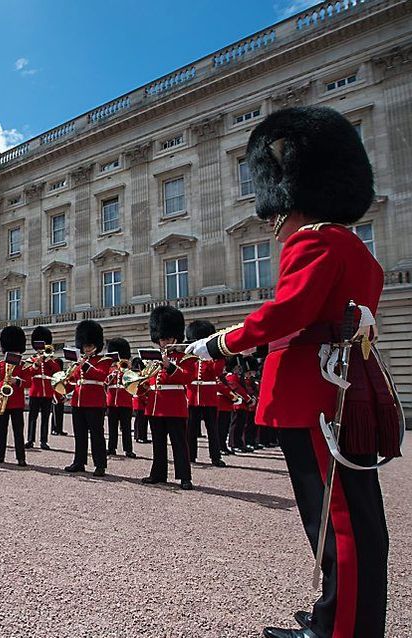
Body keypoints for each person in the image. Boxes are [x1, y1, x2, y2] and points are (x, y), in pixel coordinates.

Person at [187, 106, 399, 638]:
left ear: (289, 198)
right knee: (349, 517)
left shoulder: (314, 239)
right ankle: (338, 615)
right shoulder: (357, 249)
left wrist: (220, 342)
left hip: (315, 398)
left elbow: (288, 313)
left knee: (340, 522)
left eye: (274, 214)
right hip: (340, 394)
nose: (273, 225)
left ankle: (342, 630)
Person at [141, 306, 196, 491]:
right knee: (158, 444)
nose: (164, 342)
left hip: (174, 406)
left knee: (179, 443)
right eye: (161, 338)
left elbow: (187, 378)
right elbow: (149, 381)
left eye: (167, 338)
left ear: (175, 337)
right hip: (155, 406)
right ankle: (158, 473)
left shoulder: (184, 358)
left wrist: (169, 366)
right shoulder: (153, 359)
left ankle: (184, 477)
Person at [64, 320, 114, 477]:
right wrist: (62, 386)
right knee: (79, 434)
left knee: (97, 435)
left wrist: (84, 365)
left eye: (89, 345)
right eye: (85, 345)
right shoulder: (80, 363)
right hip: (78, 401)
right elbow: (73, 380)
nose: (86, 348)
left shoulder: (104, 361)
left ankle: (100, 465)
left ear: (96, 345)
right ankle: (79, 462)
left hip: (94, 402)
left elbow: (100, 375)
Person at [0, 326, 32, 467]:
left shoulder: (24, 366)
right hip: (1, 400)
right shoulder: (0, 365)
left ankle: (21, 457)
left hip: (17, 403)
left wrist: (17, 381)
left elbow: (29, 383)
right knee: (1, 431)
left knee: (18, 432)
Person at [185, 320, 226, 467]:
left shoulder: (213, 357)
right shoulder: (190, 355)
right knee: (191, 429)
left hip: (208, 397)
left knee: (212, 429)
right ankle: (190, 455)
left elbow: (217, 372)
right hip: (192, 397)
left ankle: (215, 457)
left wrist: (215, 355)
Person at [26, 326, 60, 450]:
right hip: (35, 392)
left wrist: (48, 359)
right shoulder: (31, 359)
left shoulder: (51, 360)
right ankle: (30, 439)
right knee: (32, 417)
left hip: (47, 393)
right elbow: (28, 373)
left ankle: (43, 441)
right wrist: (36, 364)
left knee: (46, 418)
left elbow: (57, 371)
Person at [105, 337, 136, 458]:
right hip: (112, 402)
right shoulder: (110, 368)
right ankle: (111, 448)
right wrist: (112, 374)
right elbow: (105, 382)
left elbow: (133, 381)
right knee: (112, 427)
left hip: (125, 402)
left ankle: (128, 449)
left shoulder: (129, 368)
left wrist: (126, 369)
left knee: (126, 428)